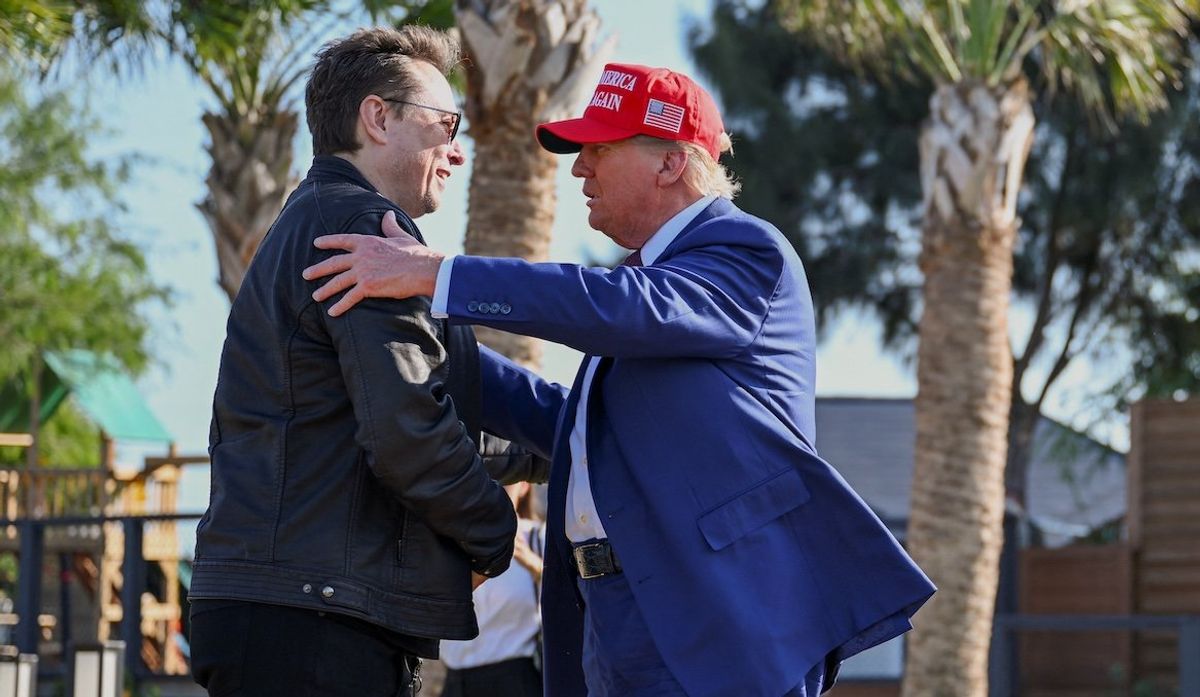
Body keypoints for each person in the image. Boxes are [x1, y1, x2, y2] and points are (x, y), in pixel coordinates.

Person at [302, 62, 936, 697]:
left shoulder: (745, 251)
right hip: (615, 620)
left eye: (599, 149)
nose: (579, 168)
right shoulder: (645, 289)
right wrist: (428, 340)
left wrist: (440, 276)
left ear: (669, 163)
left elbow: (625, 307)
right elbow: (571, 426)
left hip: (713, 619)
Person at [188, 26, 533, 697]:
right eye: (445, 123)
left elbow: (390, 413)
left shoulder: (312, 217)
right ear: (378, 118)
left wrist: (562, 443)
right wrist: (496, 530)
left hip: (284, 608)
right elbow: (407, 432)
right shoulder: (366, 230)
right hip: (313, 623)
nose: (457, 152)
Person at [440, 481, 545, 697]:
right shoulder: (449, 539)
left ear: (525, 486)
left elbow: (571, 603)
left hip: (514, 681)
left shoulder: (539, 538)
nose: (493, 490)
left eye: (506, 480)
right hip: (455, 682)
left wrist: (534, 565)